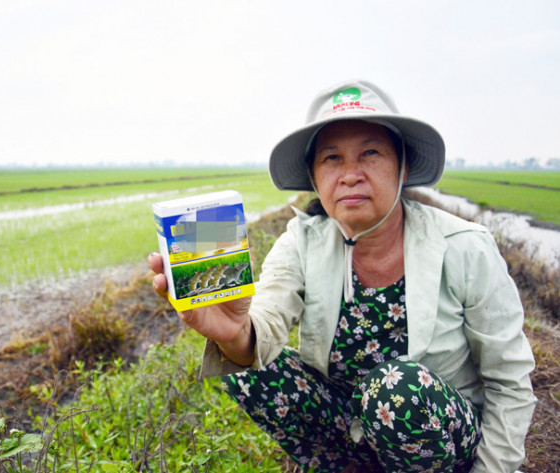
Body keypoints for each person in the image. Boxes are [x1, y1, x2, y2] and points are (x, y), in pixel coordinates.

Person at [149, 79, 537, 473]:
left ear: (402, 168)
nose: (350, 174)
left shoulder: (464, 246)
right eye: (331, 158)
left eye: (370, 153)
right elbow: (265, 323)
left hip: (440, 442)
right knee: (249, 371)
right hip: (350, 430)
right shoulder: (302, 241)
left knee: (394, 387)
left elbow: (509, 381)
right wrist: (234, 333)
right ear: (315, 179)